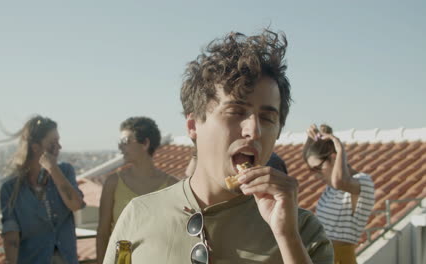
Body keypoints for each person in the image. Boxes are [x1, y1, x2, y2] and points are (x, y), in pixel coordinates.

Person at [103, 29, 333, 263]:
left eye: (267, 118)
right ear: (193, 125)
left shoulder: (303, 232)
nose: (253, 130)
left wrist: (287, 238)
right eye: (235, 112)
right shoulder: (139, 215)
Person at [0, 115, 85, 264]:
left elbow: (76, 204)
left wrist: (53, 169)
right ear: (35, 147)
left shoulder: (65, 171)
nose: (59, 147)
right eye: (53, 142)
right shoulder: (10, 189)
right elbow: (11, 234)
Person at [96, 116, 177, 263]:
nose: (120, 146)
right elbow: (102, 233)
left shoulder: (172, 185)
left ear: (145, 143)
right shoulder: (113, 183)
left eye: (125, 141)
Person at [303, 124, 375, 264]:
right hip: (320, 256)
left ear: (334, 157)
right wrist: (311, 140)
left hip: (340, 258)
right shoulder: (331, 188)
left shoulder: (363, 182)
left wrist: (339, 147)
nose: (316, 176)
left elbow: (340, 180)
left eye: (318, 168)